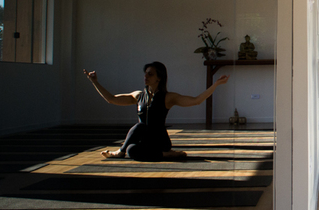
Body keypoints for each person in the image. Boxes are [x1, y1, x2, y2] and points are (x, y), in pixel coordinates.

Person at [83, 62, 229, 161]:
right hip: (145, 142)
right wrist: (94, 81)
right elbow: (112, 99)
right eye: (145, 73)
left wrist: (216, 84)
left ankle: (120, 152)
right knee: (132, 150)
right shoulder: (138, 96)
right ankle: (166, 155)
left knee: (139, 126)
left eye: (150, 74)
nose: (146, 76)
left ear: (159, 78)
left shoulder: (168, 97)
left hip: (160, 141)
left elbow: (196, 100)